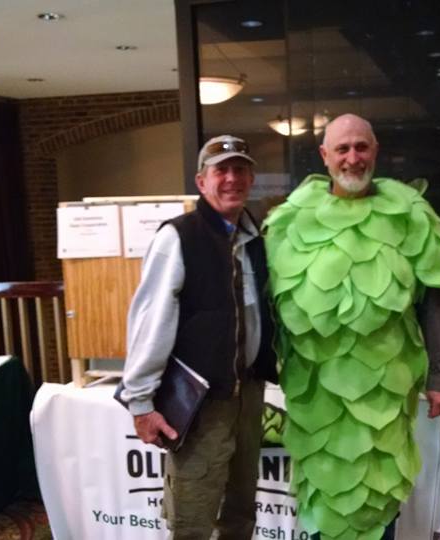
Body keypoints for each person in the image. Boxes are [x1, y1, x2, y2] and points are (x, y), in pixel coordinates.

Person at [264, 114, 440, 540]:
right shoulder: (292, 218)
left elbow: (435, 302)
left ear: (376, 151)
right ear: (324, 156)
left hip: (385, 386)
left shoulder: (409, 213)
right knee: (323, 484)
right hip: (315, 388)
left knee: (377, 485)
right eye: (342, 149)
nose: (353, 158)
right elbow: (268, 301)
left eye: (361, 147)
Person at [119, 135, 278, 538]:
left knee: (241, 514)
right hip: (200, 404)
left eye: (239, 169)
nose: (231, 178)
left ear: (251, 178)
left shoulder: (257, 238)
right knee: (193, 520)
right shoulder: (179, 237)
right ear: (201, 181)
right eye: (220, 170)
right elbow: (150, 321)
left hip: (248, 396)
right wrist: (140, 401)